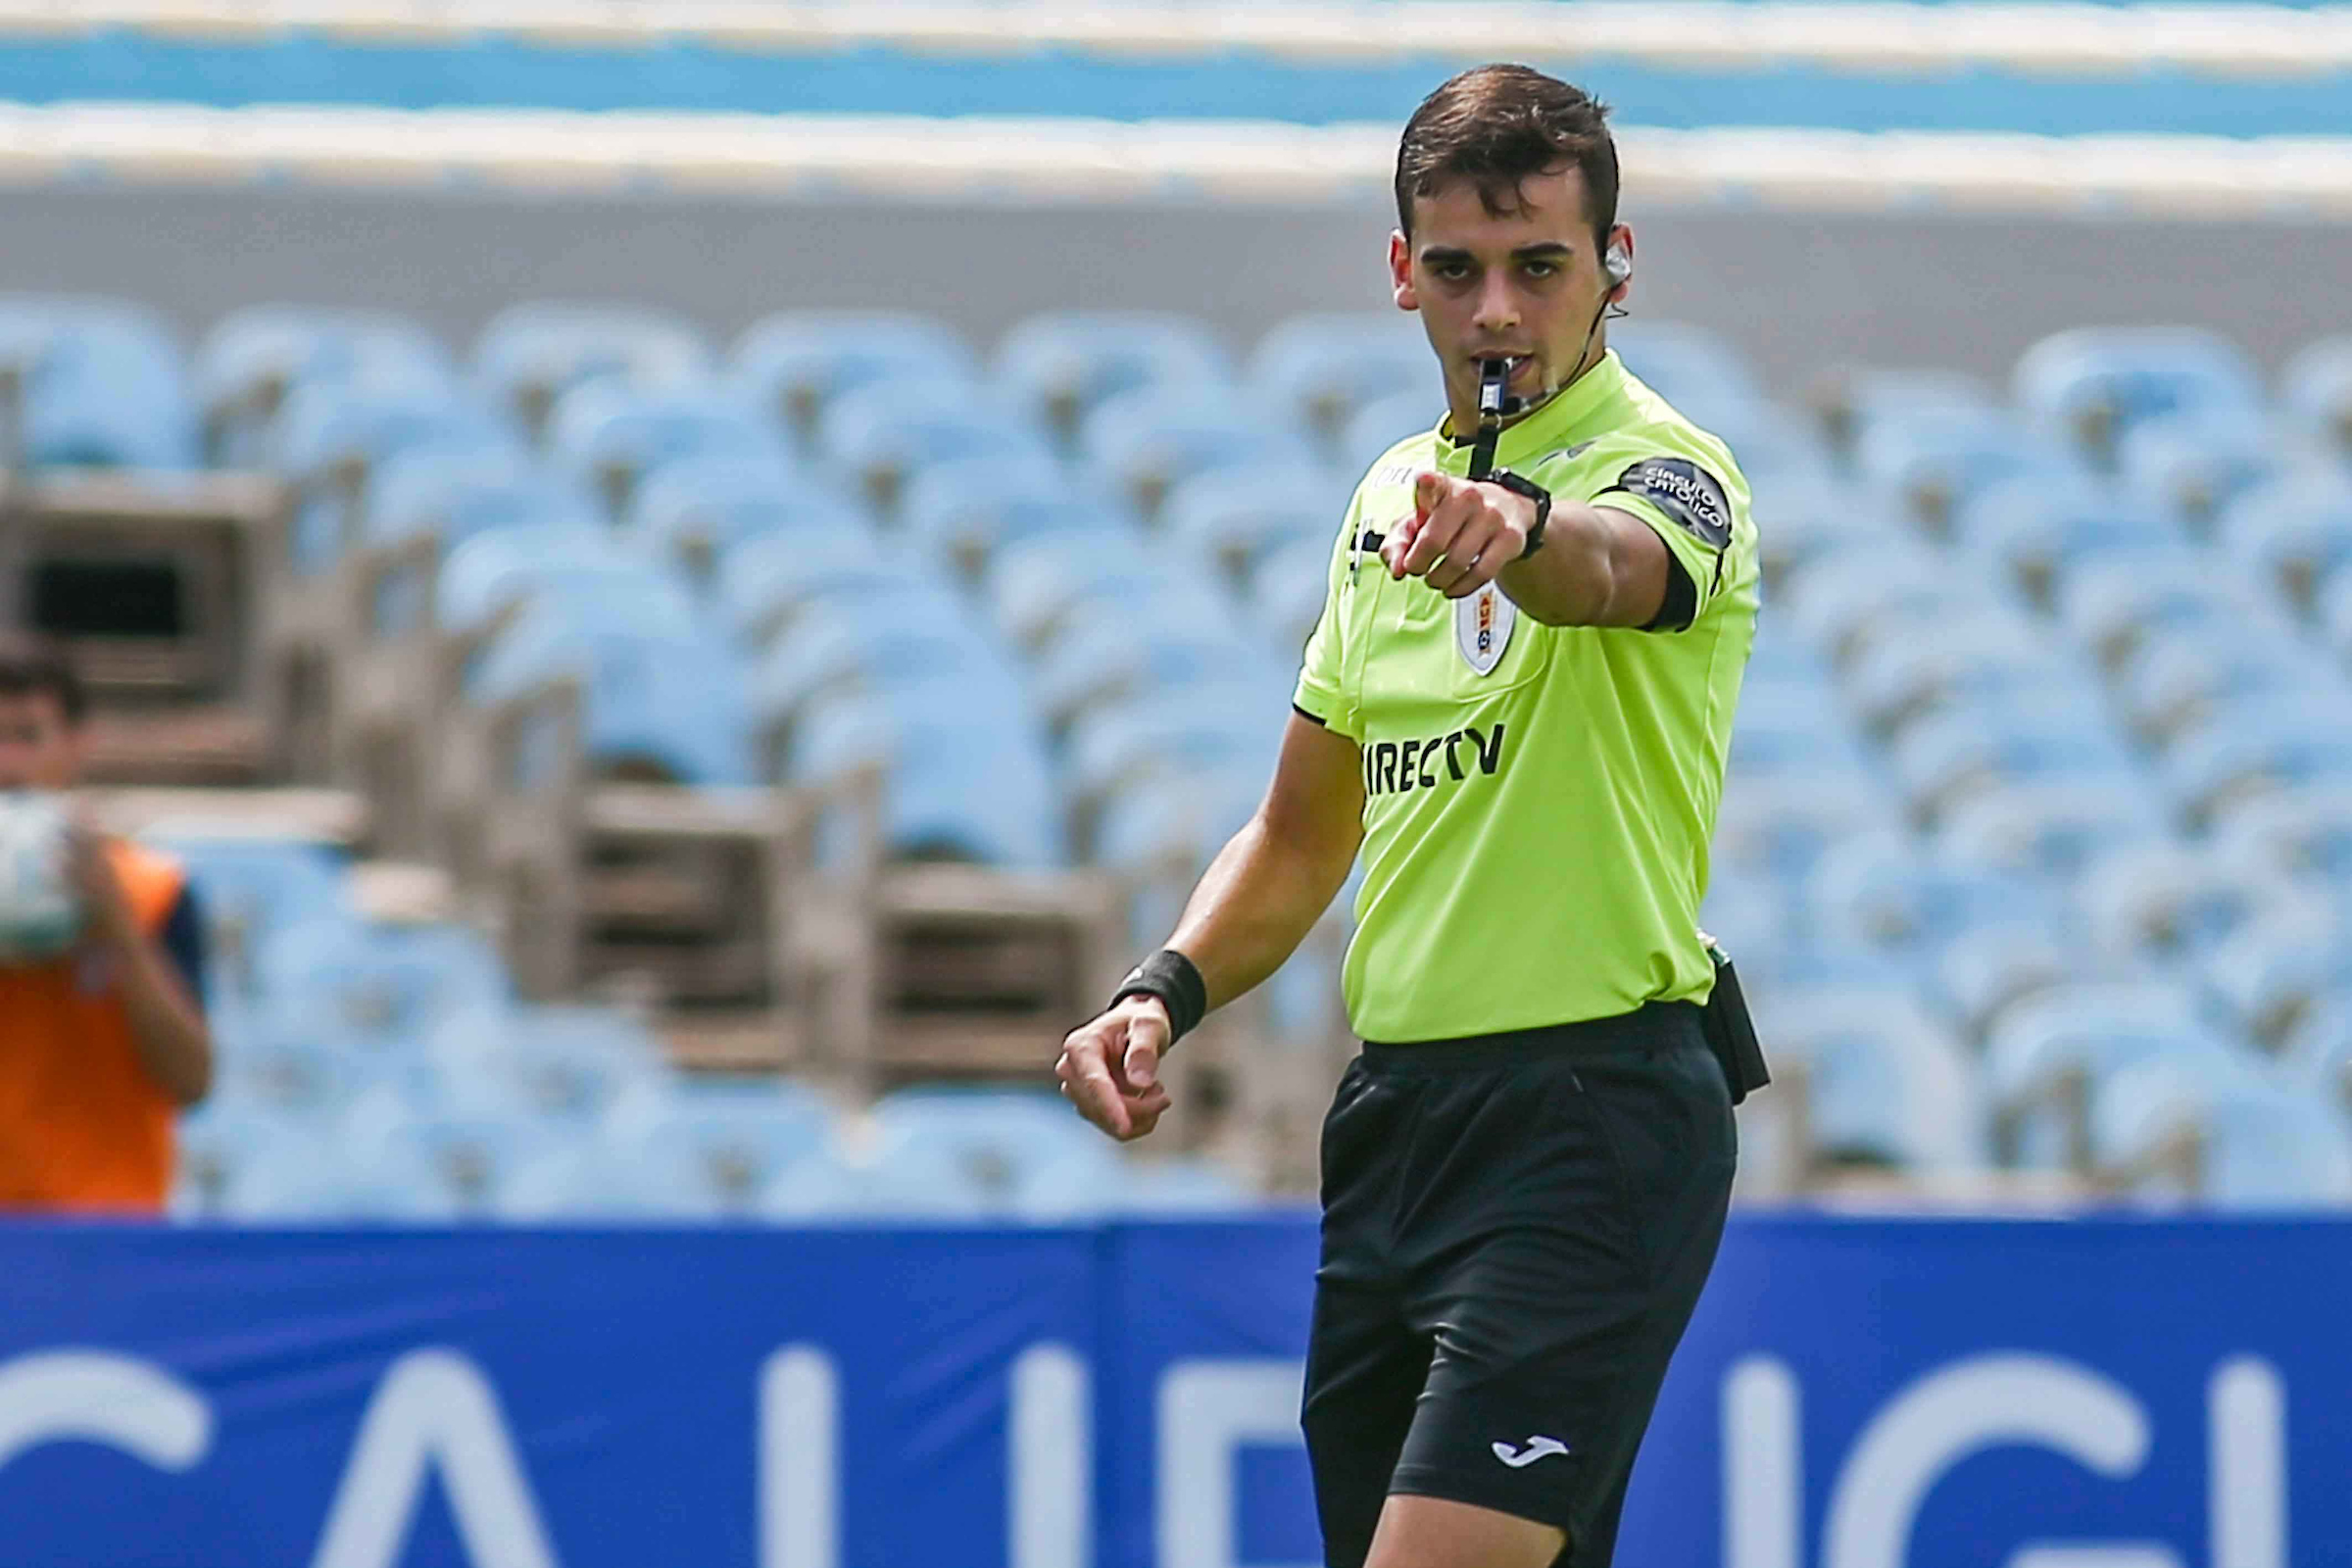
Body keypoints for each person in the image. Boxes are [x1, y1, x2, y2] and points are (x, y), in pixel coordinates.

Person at [1055, 63, 1758, 1568]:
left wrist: (1524, 527)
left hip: (1596, 1119)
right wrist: (1159, 990)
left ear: (1613, 270)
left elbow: (1615, 568)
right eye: (1458, 269)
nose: (1497, 309)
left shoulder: (1670, 472)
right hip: (1395, 1130)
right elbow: (1306, 832)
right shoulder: (1386, 503)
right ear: (1401, 275)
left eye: (1539, 267)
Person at [0, 632, 212, 1211]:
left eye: (26, 736)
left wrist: (117, 928)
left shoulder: (152, 889)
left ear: (75, 744)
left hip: (107, 1237)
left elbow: (191, 1082)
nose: (7, 764)